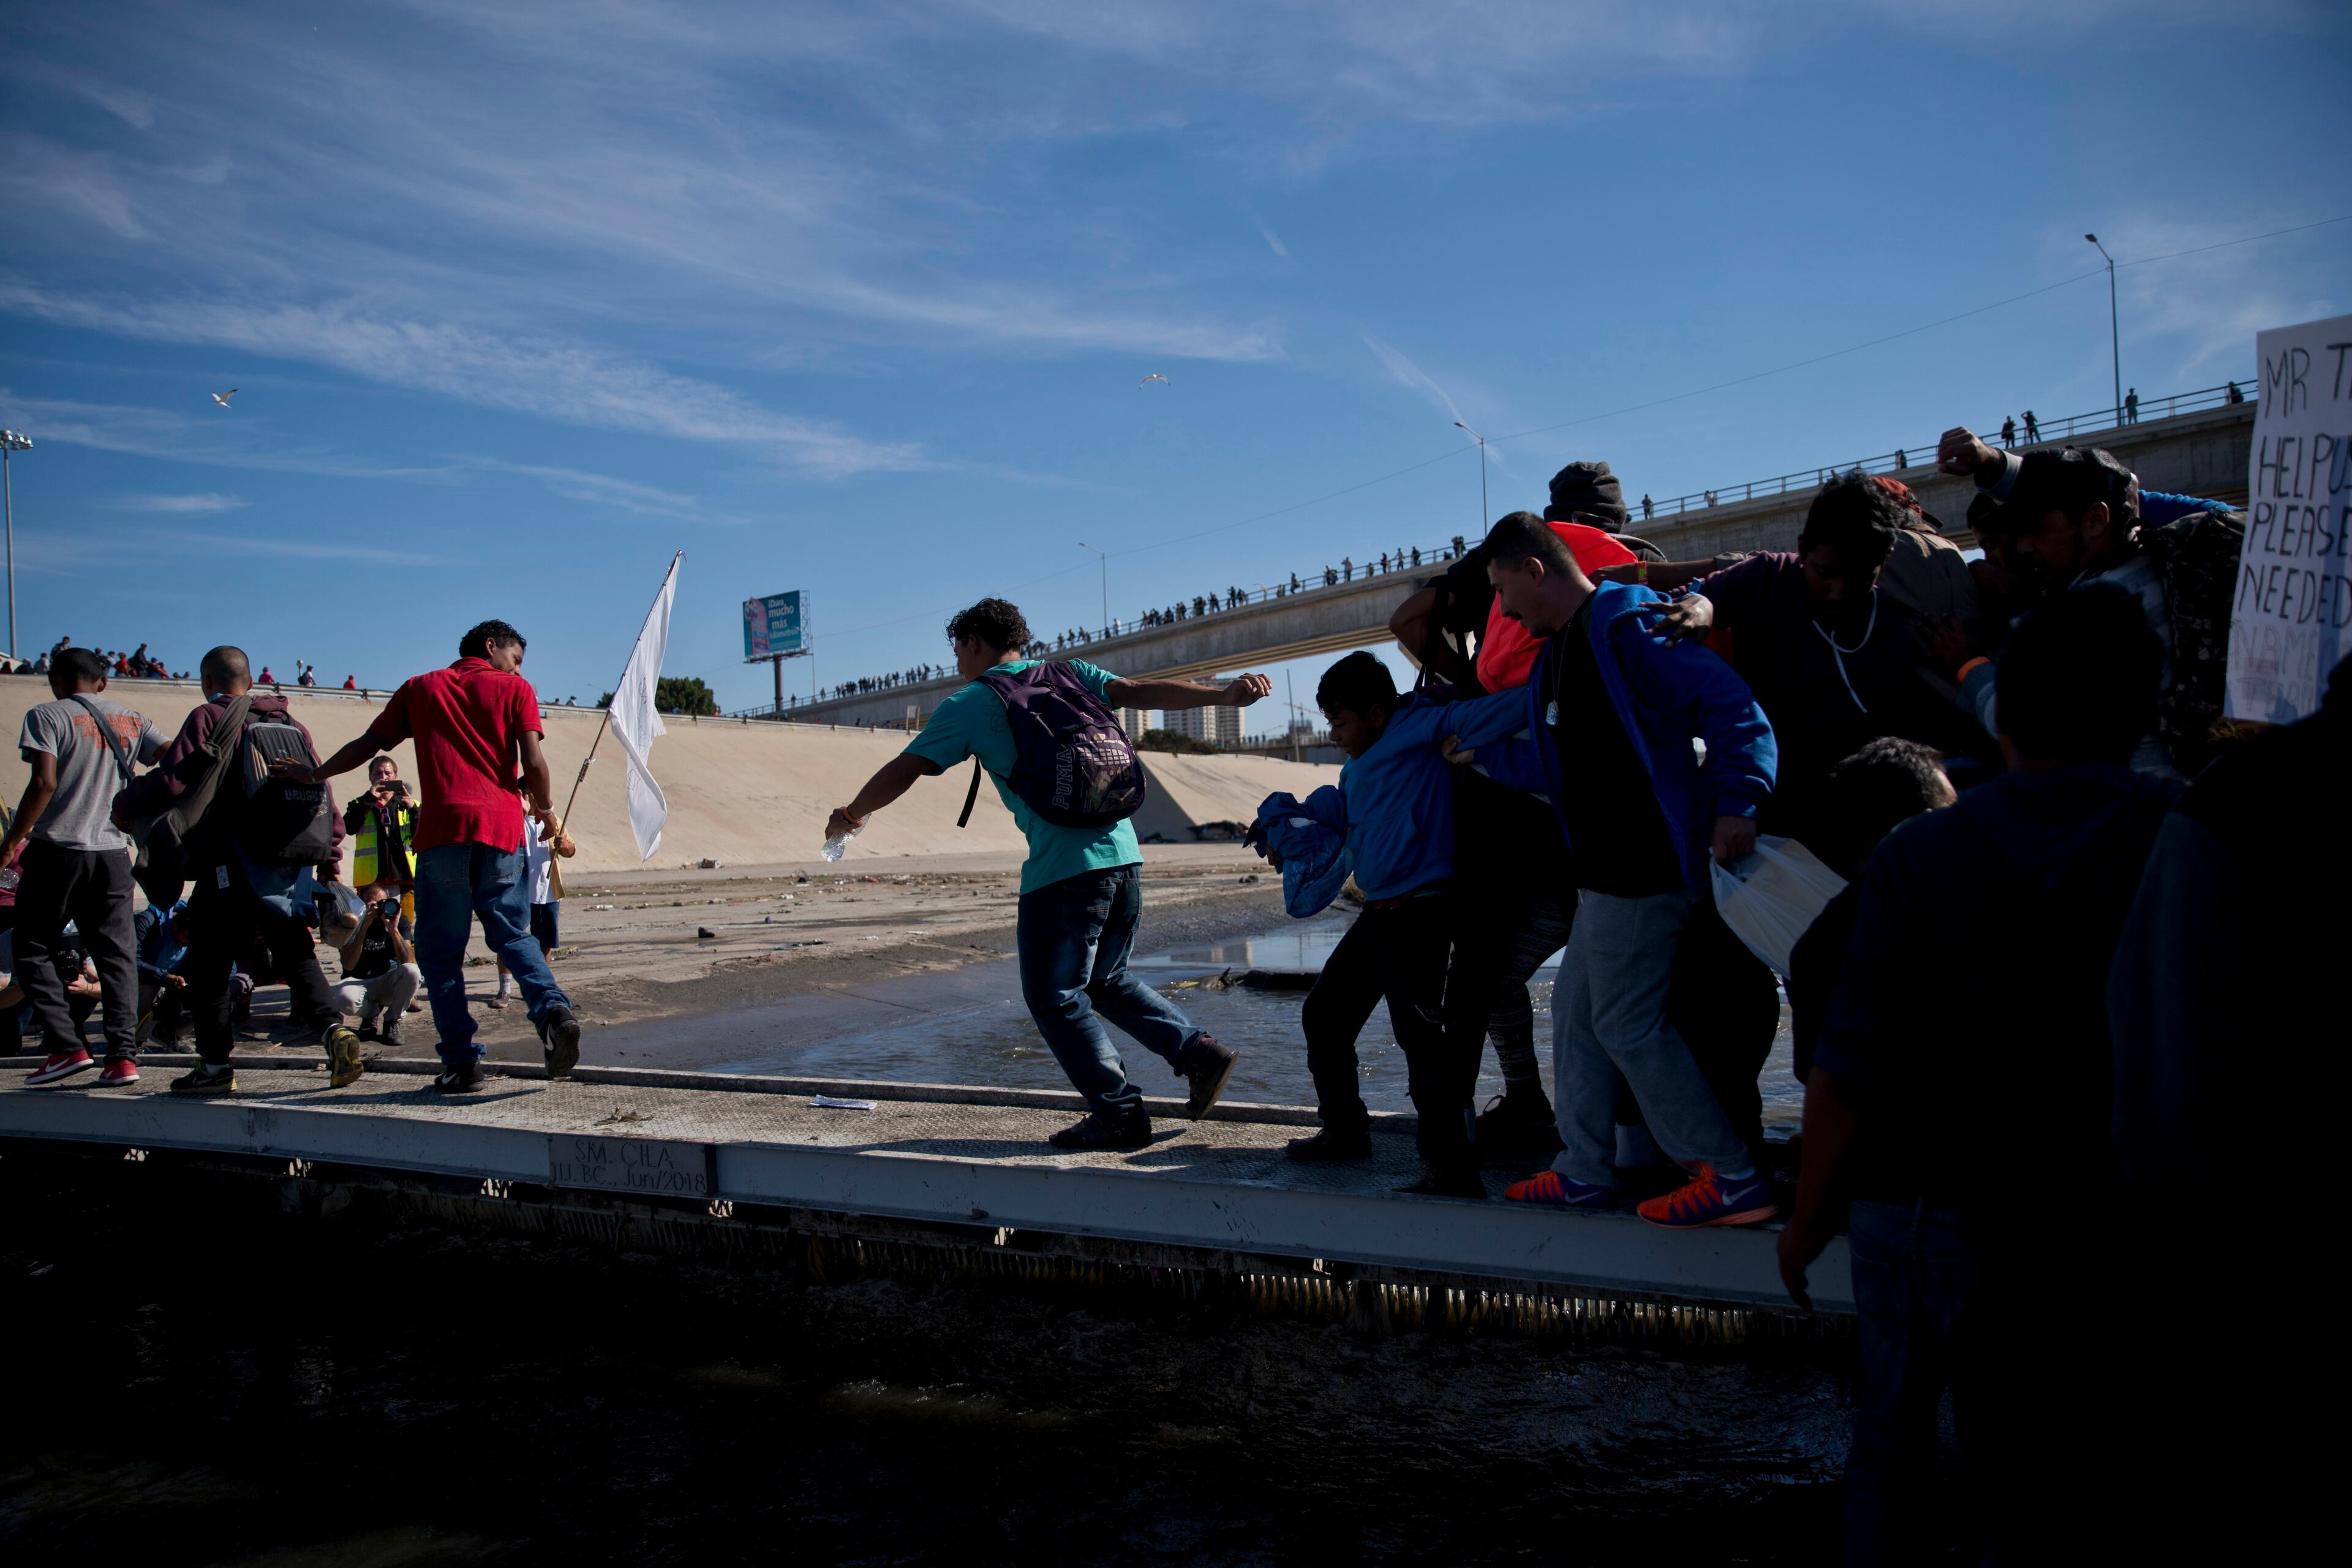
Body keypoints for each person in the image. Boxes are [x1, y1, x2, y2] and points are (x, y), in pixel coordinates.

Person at [1777, 584, 2182, 1561]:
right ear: (2142, 715)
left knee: (1892, 1447)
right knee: (2081, 1462)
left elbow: (1845, 1065)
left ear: (2005, 723)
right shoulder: (2187, 829)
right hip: (2116, 1210)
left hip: (1928, 1210)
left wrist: (1806, 1216)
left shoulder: (1919, 855)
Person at [823, 598, 1267, 1150]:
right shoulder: (1069, 674)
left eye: (958, 649)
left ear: (975, 643)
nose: (958, 661)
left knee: (1054, 997)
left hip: (1062, 872)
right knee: (1104, 981)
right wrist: (1222, 695)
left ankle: (1119, 1114)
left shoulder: (972, 702)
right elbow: (1135, 691)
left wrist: (851, 815)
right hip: (1124, 857)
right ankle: (1199, 1054)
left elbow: (904, 769)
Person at [1442, 514, 1780, 1229]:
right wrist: (1484, 759)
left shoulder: (1622, 622)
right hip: (1601, 873)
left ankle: (1732, 1173)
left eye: (1504, 593)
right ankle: (1585, 1170)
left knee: (1626, 1021)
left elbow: (1731, 706)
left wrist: (1737, 801)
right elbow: (1558, 764)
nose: (1502, 613)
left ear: (1535, 571)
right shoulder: (1558, 656)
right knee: (1574, 1013)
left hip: (1648, 863)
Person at [1267, 651, 1525, 1194]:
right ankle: (1345, 1132)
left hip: (1423, 911)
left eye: (1339, 722)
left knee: (1420, 1040)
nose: (1333, 734)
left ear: (1377, 713)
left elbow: (1473, 717)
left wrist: (1550, 693)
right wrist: (1286, 832)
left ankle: (1449, 1166)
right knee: (1325, 1015)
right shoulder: (1356, 765)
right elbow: (1346, 818)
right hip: (1379, 913)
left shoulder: (1415, 731)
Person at [288, 620, 578, 1093]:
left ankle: (462, 1064)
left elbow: (369, 745)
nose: (518, 667)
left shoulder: (421, 688)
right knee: (512, 935)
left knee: (442, 956)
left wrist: (315, 774)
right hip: (501, 832)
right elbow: (534, 762)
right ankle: (551, 1011)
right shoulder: (516, 690)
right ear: (491, 646)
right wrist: (544, 810)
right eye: (516, 657)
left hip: (442, 835)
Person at [111, 644, 364, 1096]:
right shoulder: (290, 724)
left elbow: (173, 778)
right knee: (295, 953)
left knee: (208, 967)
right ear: (249, 683)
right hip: (286, 867)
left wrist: (124, 803)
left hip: (230, 865)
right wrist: (328, 863)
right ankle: (335, 1033)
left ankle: (213, 1067)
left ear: (208, 683)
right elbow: (319, 791)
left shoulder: (209, 717)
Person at [2, 649, 170, 1085]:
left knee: (32, 946)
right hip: (114, 853)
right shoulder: (133, 719)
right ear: (103, 682)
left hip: (58, 848)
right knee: (117, 956)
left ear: (56, 680)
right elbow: (172, 760)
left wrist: (11, 842)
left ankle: (65, 1047)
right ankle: (122, 1059)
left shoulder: (47, 716)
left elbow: (44, 782)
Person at [1782, 738, 1954, 1085]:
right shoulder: (1986, 905)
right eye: (1954, 812)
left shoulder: (1819, 942)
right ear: (1926, 822)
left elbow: (1815, 1073)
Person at [492, 813, 574, 1008]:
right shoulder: (513, 819)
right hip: (518, 890)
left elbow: (571, 850)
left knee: (544, 943)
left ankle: (542, 988)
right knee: (509, 940)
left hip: (548, 891)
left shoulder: (553, 822)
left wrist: (565, 847)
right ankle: (505, 988)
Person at [335, 882, 421, 1046]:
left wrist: (393, 929)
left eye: (381, 904)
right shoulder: (351, 921)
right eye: (371, 906)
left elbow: (406, 960)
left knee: (413, 972)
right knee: (342, 999)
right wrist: (364, 925)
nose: (377, 909)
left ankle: (393, 1020)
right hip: (358, 980)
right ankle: (371, 1014)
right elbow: (348, 964)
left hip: (387, 980)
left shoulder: (398, 920)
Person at [342, 755, 419, 922]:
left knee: (404, 929)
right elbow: (348, 828)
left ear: (395, 777)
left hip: (405, 880)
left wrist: (413, 810)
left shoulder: (411, 804)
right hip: (371, 881)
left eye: (387, 773)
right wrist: (369, 800)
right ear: (370, 777)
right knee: (372, 928)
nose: (383, 777)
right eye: (378, 773)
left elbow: (426, 831)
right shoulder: (360, 804)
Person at [134, 899, 192, 1049]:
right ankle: (137, 1041)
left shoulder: (195, 926)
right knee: (146, 989)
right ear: (174, 927)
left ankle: (168, 1033)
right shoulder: (147, 922)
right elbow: (133, 961)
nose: (188, 943)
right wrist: (164, 977)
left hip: (177, 977)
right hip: (147, 976)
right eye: (186, 939)